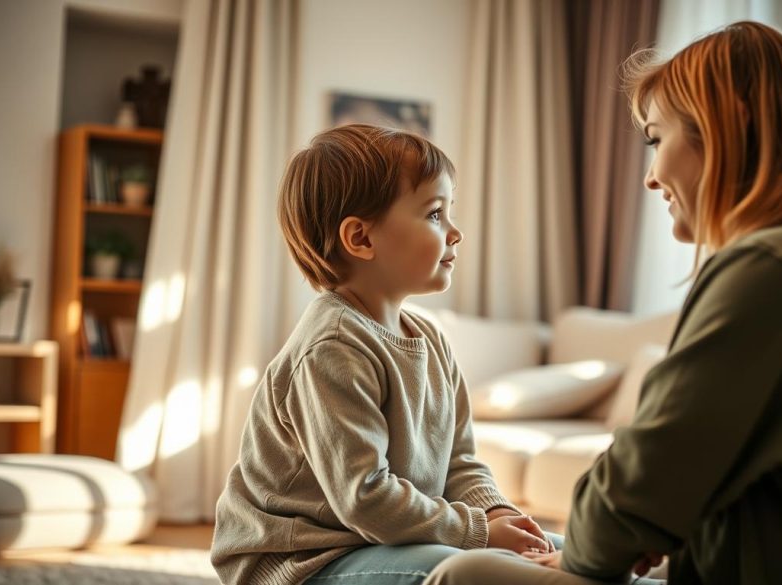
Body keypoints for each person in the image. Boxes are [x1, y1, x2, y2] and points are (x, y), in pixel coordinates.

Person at [423, 20, 782, 585]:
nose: (650, 177)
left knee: (466, 574)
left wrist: (629, 532)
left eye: (657, 139)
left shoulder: (773, 270)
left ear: (726, 129)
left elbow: (628, 497)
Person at [210, 124, 556, 585]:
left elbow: (461, 462)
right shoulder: (333, 347)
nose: (456, 233)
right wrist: (477, 532)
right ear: (361, 239)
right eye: (435, 214)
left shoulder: (432, 341)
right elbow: (366, 497)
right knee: (476, 571)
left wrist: (497, 514)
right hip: (308, 563)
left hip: (383, 542)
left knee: (568, 552)